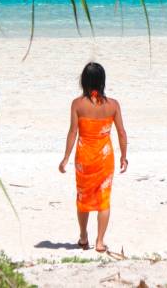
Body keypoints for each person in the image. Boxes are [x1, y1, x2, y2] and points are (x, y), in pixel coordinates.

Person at [58, 62, 128, 253]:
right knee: (103, 199)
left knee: (83, 197)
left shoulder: (77, 104)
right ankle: (100, 241)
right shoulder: (113, 105)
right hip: (105, 159)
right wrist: (124, 156)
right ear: (103, 81)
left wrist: (65, 158)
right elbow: (121, 133)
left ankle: (83, 237)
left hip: (84, 159)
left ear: (83, 81)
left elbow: (73, 132)